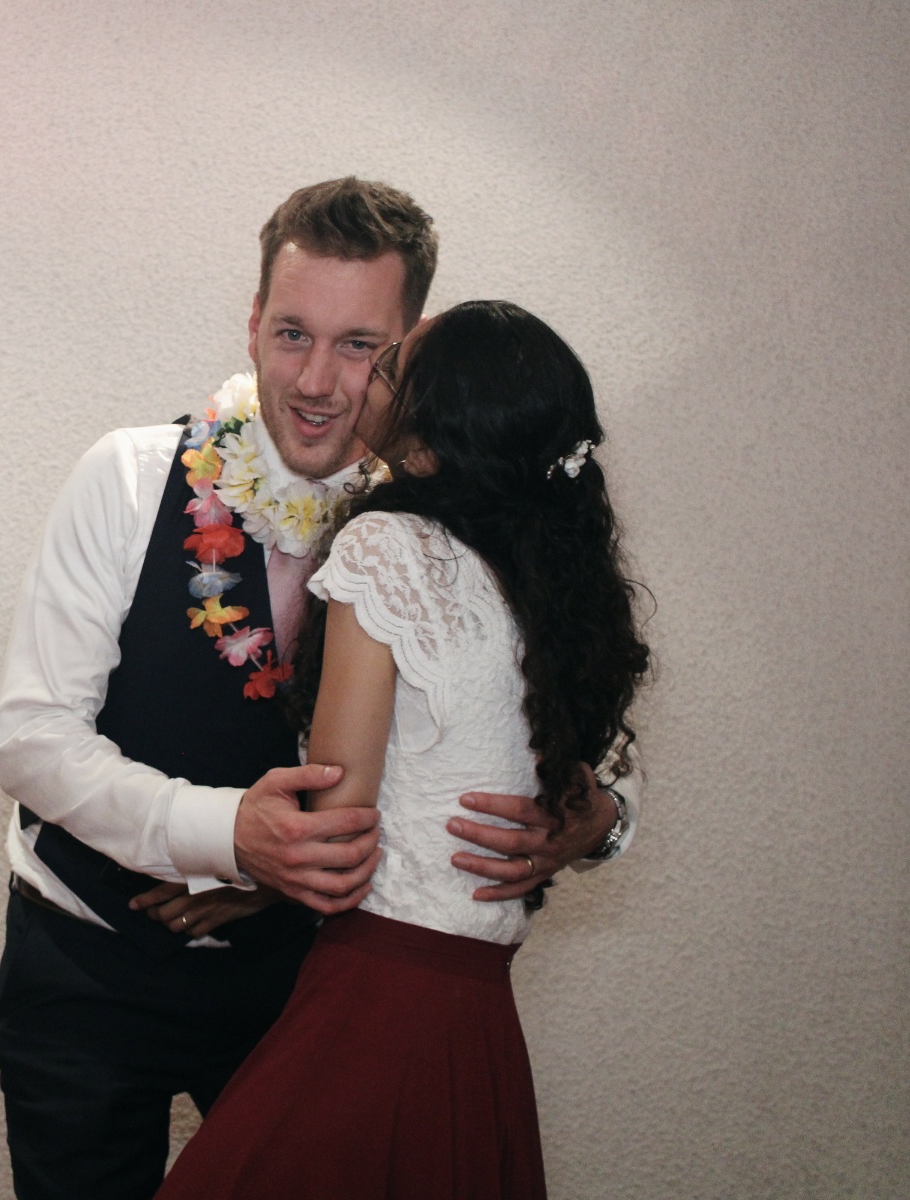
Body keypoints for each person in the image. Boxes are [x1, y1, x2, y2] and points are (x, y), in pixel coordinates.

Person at [0, 179, 638, 1200]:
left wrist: (601, 816)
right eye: (293, 333)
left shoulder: (457, 520)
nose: (318, 380)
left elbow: (573, 691)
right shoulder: (128, 476)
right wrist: (228, 836)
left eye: (360, 346)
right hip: (87, 976)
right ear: (253, 322)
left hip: (303, 992)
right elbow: (31, 740)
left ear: (409, 350)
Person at [154, 300, 652, 1199]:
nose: (362, 378)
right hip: (478, 1013)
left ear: (428, 440)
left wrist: (246, 868)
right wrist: (601, 818)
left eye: (387, 368)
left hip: (377, 998)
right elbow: (595, 772)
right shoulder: (552, 587)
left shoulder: (388, 546)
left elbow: (337, 820)